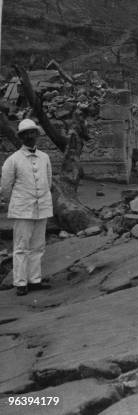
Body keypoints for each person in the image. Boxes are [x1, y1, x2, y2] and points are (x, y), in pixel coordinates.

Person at [1, 119, 53, 296]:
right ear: (21, 137)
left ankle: (35, 280)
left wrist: (43, 199)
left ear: (37, 135)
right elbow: (6, 187)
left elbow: (48, 180)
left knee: (38, 245)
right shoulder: (13, 160)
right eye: (26, 134)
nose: (30, 136)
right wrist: (16, 202)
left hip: (42, 207)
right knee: (21, 246)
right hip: (23, 208)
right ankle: (20, 282)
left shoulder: (45, 157)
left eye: (33, 133)